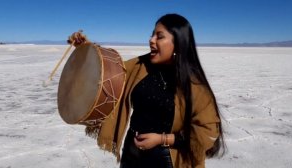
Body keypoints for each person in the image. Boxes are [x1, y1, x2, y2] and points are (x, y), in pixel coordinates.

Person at [82, 13, 225, 168]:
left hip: (167, 157)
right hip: (132, 152)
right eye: (152, 35)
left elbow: (206, 132)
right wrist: (87, 49)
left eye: (160, 36)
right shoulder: (139, 67)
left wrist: (162, 139)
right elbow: (109, 72)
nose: (151, 40)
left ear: (178, 43)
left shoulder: (194, 86)